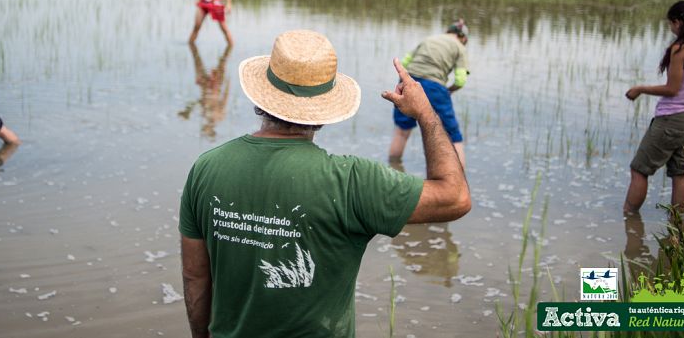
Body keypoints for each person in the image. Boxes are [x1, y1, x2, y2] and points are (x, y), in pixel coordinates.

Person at [179, 30, 471, 338]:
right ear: (324, 106)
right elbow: (455, 197)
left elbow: (195, 275)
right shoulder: (351, 181)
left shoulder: (206, 168)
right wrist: (426, 114)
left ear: (263, 93)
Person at [623, 1, 684, 216]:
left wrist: (640, 88)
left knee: (639, 169)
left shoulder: (681, 49)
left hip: (671, 119)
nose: (671, 29)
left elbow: (672, 88)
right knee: (680, 173)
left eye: (671, 24)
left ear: (678, 22)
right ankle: (677, 227)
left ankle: (629, 218)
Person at [389, 19, 470, 167]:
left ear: (448, 32)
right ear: (463, 38)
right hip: (435, 86)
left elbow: (405, 63)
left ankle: (394, 168)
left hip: (409, 81)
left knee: (402, 130)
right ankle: (460, 180)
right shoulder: (459, 47)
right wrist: (448, 91)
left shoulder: (429, 39)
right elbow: (460, 80)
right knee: (453, 135)